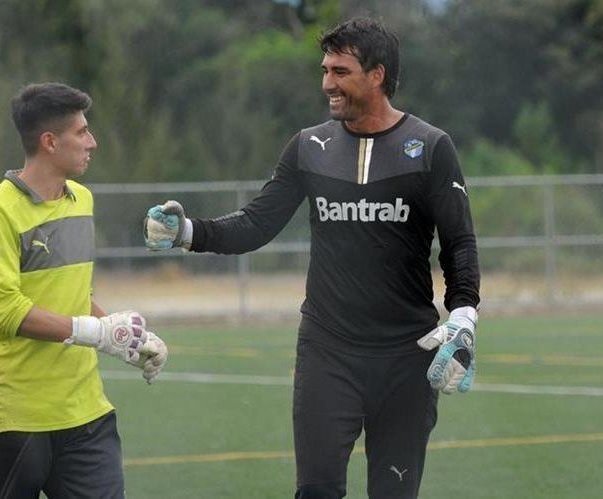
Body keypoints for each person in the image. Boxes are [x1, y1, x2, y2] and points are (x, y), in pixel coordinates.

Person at [143, 17, 479, 499]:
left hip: (408, 355)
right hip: (328, 353)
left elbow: (459, 241)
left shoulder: (429, 147)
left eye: (340, 72)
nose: (327, 83)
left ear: (377, 75)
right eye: (325, 70)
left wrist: (464, 316)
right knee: (316, 492)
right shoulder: (309, 147)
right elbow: (257, 222)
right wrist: (188, 232)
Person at [0, 82, 168, 499]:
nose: (92, 142)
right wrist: (96, 334)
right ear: (49, 142)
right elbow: (4, 311)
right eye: (81, 132)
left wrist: (127, 338)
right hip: (14, 421)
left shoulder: (83, 200)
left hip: (86, 416)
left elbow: (76, 296)